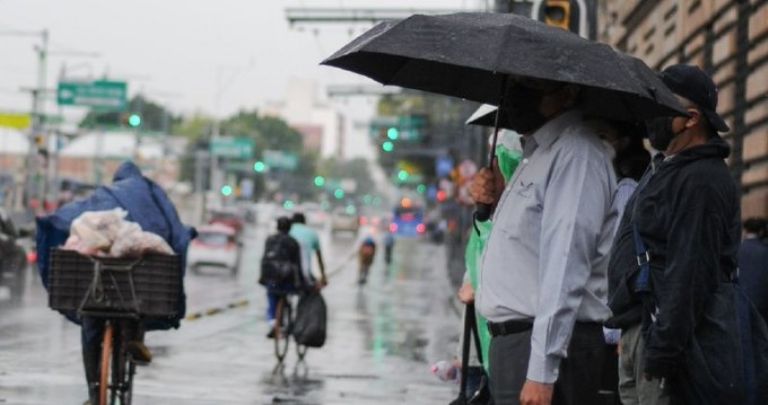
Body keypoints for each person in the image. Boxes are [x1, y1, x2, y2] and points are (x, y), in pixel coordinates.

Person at [470, 78, 617, 405]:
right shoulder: (537, 155)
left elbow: (566, 262)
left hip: (543, 351)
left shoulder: (576, 155)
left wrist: (542, 371)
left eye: (528, 86)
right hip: (516, 347)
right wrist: (490, 207)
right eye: (511, 86)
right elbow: (525, 250)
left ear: (567, 93)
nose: (513, 98)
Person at [606, 64, 741, 404]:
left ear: (692, 118)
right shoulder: (665, 167)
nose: (652, 115)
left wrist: (662, 352)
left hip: (662, 344)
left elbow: (690, 270)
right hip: (641, 332)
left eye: (661, 104)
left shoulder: (701, 180)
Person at [36, 161, 195, 405]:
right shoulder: (152, 194)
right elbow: (172, 225)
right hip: (135, 285)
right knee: (138, 306)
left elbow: (74, 214)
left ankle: (92, 392)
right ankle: (135, 339)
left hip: (96, 287)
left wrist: (51, 222)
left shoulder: (105, 195)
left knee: (90, 327)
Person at [261, 216, 303, 337]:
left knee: (271, 297)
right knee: (288, 296)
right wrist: (300, 282)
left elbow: (264, 259)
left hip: (272, 278)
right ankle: (286, 320)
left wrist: (263, 277)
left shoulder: (270, 240)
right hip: (288, 279)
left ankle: (273, 321)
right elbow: (297, 264)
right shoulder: (293, 242)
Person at [739, 217, 768, 322]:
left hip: (742, 298)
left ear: (745, 230)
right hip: (763, 300)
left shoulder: (739, 249)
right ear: (761, 231)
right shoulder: (764, 250)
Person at [290, 212, 328, 289]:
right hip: (304, 274)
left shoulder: (287, 231)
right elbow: (319, 258)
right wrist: (323, 276)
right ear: (304, 222)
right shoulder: (312, 233)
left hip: (281, 274)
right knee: (314, 291)